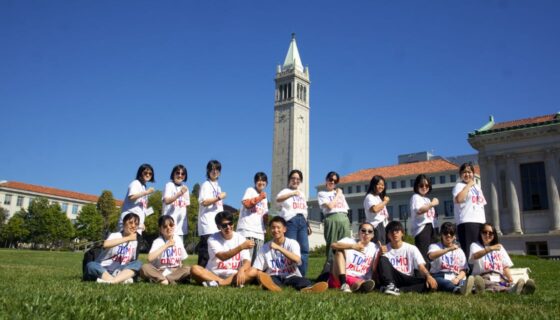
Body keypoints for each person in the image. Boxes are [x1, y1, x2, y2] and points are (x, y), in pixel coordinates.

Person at [252, 216, 328, 293]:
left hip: (291, 275)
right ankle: (272, 286)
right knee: (270, 280)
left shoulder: (292, 243)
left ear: (284, 229)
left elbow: (297, 259)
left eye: (278, 227)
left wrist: (279, 248)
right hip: (274, 275)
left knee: (304, 282)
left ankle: (308, 288)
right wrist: (260, 278)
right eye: (273, 228)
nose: (275, 230)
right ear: (269, 229)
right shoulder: (265, 247)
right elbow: (258, 269)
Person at [190, 211, 255, 287]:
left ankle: (217, 283)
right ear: (218, 227)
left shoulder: (241, 238)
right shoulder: (212, 239)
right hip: (213, 274)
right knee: (194, 269)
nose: (228, 227)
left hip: (233, 274)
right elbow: (222, 256)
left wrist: (241, 269)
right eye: (224, 225)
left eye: (230, 223)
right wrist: (241, 247)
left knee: (253, 271)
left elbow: (247, 261)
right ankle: (227, 283)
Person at [469, 223, 536, 294]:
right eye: (485, 232)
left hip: (499, 276)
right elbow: (475, 256)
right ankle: (513, 291)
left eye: (491, 233)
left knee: (506, 284)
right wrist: (490, 249)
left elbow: (505, 266)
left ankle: (522, 289)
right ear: (480, 233)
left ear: (494, 235)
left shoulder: (499, 248)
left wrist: (510, 279)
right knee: (490, 284)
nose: (487, 235)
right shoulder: (475, 245)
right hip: (483, 276)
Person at [377, 221, 437, 295]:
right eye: (391, 231)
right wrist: (379, 254)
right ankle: (390, 286)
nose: (394, 233)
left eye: (397, 231)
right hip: (393, 276)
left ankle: (397, 290)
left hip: (407, 277)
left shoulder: (411, 248)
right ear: (388, 235)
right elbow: (378, 267)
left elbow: (421, 266)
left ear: (402, 233)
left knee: (428, 284)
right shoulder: (384, 249)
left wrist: (428, 276)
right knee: (382, 258)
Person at [85, 212, 142, 284]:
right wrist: (128, 238)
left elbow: (130, 261)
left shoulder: (134, 242)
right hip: (103, 269)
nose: (133, 226)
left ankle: (112, 281)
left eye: (136, 224)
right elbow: (106, 244)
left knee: (138, 263)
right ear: (124, 224)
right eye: (130, 223)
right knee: (91, 265)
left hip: (119, 270)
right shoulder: (115, 235)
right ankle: (119, 280)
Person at [276, 169, 310, 277]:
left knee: (304, 249)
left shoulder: (302, 194)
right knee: (290, 248)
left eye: (298, 179)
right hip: (291, 221)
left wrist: (307, 224)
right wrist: (292, 193)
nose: (295, 181)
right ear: (289, 180)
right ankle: (289, 274)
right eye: (293, 178)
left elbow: (304, 209)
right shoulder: (285, 191)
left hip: (302, 221)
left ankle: (301, 275)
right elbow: (278, 199)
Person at [428, 222, 478, 295]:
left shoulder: (459, 251)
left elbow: (464, 270)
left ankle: (472, 288)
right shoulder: (434, 246)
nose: (448, 235)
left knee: (461, 281)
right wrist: (448, 249)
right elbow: (431, 256)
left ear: (454, 236)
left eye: (451, 233)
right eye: (445, 233)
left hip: (456, 275)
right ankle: (458, 290)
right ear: (441, 234)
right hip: (439, 275)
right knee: (445, 282)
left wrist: (457, 278)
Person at [329, 222, 379, 293]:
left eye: (370, 231)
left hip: (359, 278)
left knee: (360, 283)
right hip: (341, 275)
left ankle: (357, 287)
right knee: (339, 251)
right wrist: (352, 246)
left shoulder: (375, 247)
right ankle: (344, 284)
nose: (366, 233)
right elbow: (333, 245)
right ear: (358, 233)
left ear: (373, 235)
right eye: (363, 230)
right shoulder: (349, 241)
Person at [140, 216, 191, 285]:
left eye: (171, 225)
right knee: (144, 267)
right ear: (160, 229)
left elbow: (181, 260)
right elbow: (149, 258)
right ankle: (170, 279)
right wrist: (166, 245)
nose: (168, 228)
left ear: (174, 226)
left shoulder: (178, 239)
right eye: (165, 226)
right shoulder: (158, 241)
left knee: (190, 269)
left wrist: (180, 268)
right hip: (160, 271)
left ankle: (164, 280)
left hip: (175, 270)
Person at [317, 171, 351, 273]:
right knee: (332, 244)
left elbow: (346, 209)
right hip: (331, 218)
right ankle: (329, 272)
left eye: (335, 181)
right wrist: (338, 194)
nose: (332, 182)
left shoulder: (340, 194)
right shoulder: (322, 193)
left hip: (344, 218)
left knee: (346, 244)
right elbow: (330, 206)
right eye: (331, 179)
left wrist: (340, 194)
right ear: (326, 180)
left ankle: (345, 271)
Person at [453, 162, 486, 260]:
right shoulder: (459, 186)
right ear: (460, 174)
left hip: (480, 221)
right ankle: (468, 271)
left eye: (469, 172)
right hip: (467, 221)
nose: (467, 174)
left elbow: (481, 205)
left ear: (473, 173)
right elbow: (459, 199)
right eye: (464, 172)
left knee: (479, 248)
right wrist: (468, 186)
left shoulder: (477, 188)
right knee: (469, 250)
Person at [197, 160, 227, 267]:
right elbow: (204, 202)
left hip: (216, 225)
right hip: (207, 224)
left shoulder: (218, 186)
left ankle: (210, 273)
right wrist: (218, 197)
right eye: (212, 169)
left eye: (217, 169)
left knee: (214, 252)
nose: (215, 171)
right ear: (208, 170)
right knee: (205, 252)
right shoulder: (205, 185)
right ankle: (200, 275)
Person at [236, 172, 269, 264]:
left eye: (263, 180)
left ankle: (253, 279)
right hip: (247, 231)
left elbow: (265, 214)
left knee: (257, 263)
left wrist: (265, 227)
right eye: (259, 180)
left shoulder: (265, 197)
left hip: (259, 233)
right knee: (246, 261)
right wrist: (259, 198)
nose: (261, 182)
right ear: (255, 182)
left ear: (266, 183)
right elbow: (246, 204)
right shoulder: (250, 190)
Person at [119, 164, 155, 234]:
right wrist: (146, 192)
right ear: (140, 173)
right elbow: (131, 197)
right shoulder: (135, 183)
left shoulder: (143, 187)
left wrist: (142, 222)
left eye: (150, 173)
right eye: (145, 173)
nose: (148, 175)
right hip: (129, 222)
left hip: (137, 225)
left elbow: (142, 209)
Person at [410, 174, 438, 264]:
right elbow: (419, 210)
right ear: (416, 186)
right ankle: (423, 277)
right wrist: (432, 204)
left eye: (427, 185)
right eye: (421, 185)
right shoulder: (416, 197)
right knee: (423, 256)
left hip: (431, 228)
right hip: (422, 229)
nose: (424, 187)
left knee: (431, 255)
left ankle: (430, 275)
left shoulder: (427, 199)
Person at [162, 165, 190, 242]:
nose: (180, 175)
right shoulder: (169, 185)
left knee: (178, 251)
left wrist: (187, 223)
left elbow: (186, 206)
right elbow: (167, 201)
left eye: (183, 174)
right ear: (173, 174)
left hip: (180, 227)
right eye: (178, 173)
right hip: (168, 226)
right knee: (167, 251)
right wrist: (179, 193)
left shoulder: (185, 188)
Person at [363, 175, 390, 244]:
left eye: (383, 185)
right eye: (379, 184)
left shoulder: (379, 197)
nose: (381, 187)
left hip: (384, 225)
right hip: (376, 226)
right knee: (378, 249)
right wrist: (385, 202)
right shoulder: (369, 197)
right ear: (373, 185)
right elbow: (374, 209)